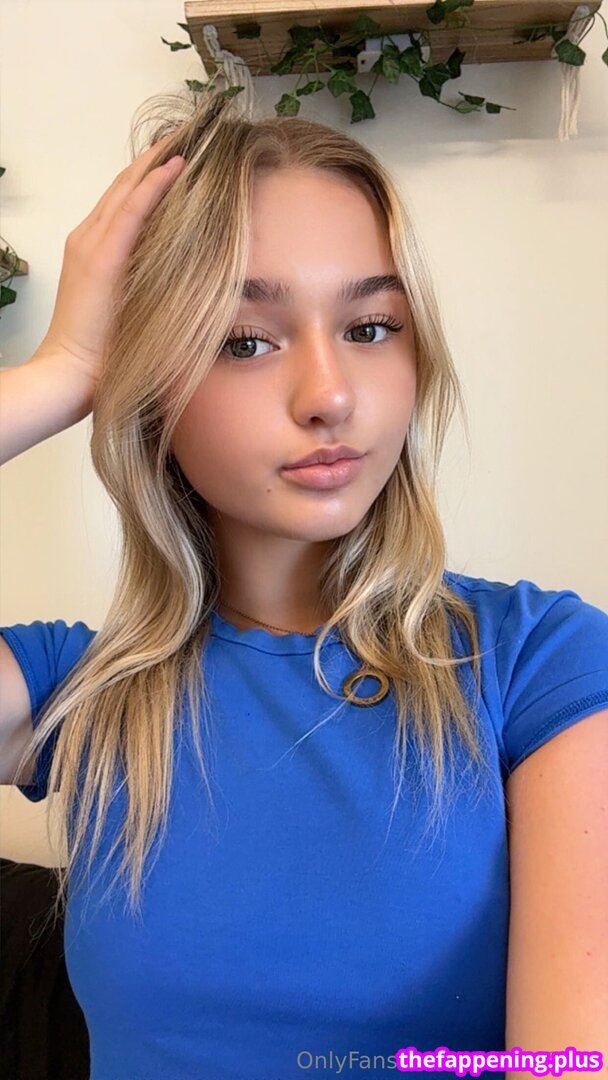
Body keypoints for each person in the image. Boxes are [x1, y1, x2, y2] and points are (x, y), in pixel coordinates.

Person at [1, 88, 606, 1080]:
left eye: (370, 326)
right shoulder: (86, 693)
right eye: (245, 340)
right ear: (150, 387)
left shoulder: (541, 666)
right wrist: (59, 372)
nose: (330, 393)